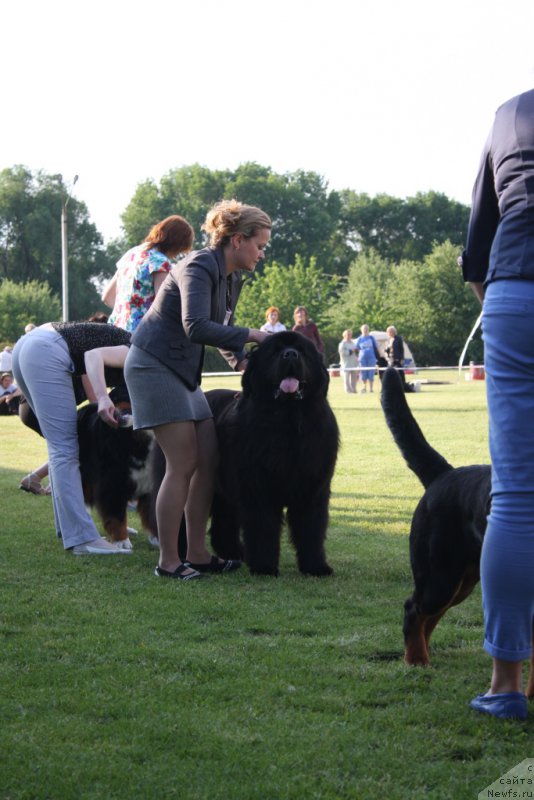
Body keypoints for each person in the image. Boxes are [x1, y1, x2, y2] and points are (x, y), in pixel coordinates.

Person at [122, 199, 271, 580]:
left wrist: (245, 365)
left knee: (208, 455)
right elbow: (196, 326)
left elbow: (221, 331)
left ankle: (199, 553)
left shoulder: (230, 277)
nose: (262, 254)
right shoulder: (198, 266)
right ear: (238, 239)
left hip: (181, 372)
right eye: (260, 245)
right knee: (183, 463)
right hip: (152, 365)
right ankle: (169, 562)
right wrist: (253, 334)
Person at [460, 88, 534, 721]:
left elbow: (477, 241)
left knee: (516, 496)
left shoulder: (511, 113)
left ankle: (506, 685)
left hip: (515, 291)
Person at [12, 321, 133, 555]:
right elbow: (92, 356)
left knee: (60, 448)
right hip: (45, 348)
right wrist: (102, 400)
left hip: (31, 345)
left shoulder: (134, 345)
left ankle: (68, 528)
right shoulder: (141, 352)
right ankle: (82, 538)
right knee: (65, 448)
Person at [102, 215, 195, 332]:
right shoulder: (160, 262)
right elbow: (165, 306)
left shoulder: (132, 253)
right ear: (177, 244)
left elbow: (107, 297)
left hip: (114, 331)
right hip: (139, 338)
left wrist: (128, 312)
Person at [354, 324, 378, 393]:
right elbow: (356, 348)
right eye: (364, 329)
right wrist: (356, 357)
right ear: (361, 330)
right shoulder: (359, 339)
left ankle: (371, 388)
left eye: (366, 329)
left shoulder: (371, 338)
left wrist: (378, 356)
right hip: (362, 358)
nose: (365, 330)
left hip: (371, 358)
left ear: (368, 330)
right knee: (363, 373)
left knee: (371, 373)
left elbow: (376, 347)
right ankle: (364, 388)